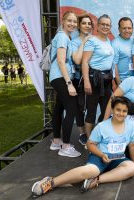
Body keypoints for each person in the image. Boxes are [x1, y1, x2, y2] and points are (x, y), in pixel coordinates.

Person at [31, 97, 134, 197]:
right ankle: (51, 182)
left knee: (132, 168)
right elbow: (90, 145)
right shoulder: (102, 126)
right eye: (118, 110)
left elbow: (132, 145)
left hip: (118, 158)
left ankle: (96, 180)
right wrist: (101, 154)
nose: (121, 113)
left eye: (124, 111)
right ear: (112, 110)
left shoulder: (130, 126)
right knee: (91, 170)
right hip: (100, 156)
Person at [49, 11, 81, 157]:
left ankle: (56, 142)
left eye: (75, 22)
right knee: (72, 108)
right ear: (63, 20)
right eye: (70, 20)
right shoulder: (62, 36)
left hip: (57, 77)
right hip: (61, 77)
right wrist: (69, 83)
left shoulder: (64, 36)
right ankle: (66, 147)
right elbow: (61, 61)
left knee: (59, 108)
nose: (72, 24)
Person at [81, 14, 114, 140]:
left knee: (107, 111)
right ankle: (90, 141)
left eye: (108, 25)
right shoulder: (92, 41)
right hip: (93, 79)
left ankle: (99, 136)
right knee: (91, 112)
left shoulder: (108, 41)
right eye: (103, 24)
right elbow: (85, 62)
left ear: (110, 27)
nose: (105, 26)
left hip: (106, 81)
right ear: (98, 26)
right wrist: (86, 82)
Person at [71, 14, 94, 146]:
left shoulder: (94, 40)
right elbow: (78, 60)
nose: (87, 26)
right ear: (79, 26)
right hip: (78, 79)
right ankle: (82, 133)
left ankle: (91, 133)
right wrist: (84, 42)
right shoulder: (74, 41)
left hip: (92, 78)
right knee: (80, 108)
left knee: (90, 107)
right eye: (84, 23)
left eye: (89, 23)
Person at [112, 17, 134, 85]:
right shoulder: (115, 44)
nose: (127, 30)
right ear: (119, 29)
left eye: (129, 28)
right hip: (122, 81)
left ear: (132, 29)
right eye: (124, 28)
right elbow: (114, 65)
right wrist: (119, 85)